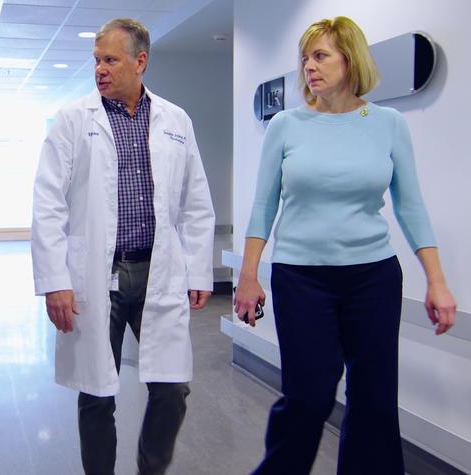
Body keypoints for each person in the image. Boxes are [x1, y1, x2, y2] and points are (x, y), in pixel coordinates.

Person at [235, 16, 457, 475]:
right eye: (305, 57)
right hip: (301, 277)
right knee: (309, 396)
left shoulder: (388, 124)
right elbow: (264, 204)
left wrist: (437, 281)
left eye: (321, 55)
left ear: (350, 59)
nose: (308, 67)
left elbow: (410, 205)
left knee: (374, 399)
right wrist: (249, 274)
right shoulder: (286, 126)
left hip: (372, 277)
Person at [31, 18, 215, 475]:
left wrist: (198, 271)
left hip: (159, 270)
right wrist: (55, 282)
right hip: (99, 274)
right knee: (96, 391)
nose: (100, 69)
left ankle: (151, 468)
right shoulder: (75, 119)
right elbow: (47, 204)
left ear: (141, 61)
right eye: (96, 60)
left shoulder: (175, 121)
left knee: (172, 388)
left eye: (110, 60)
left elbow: (196, 201)